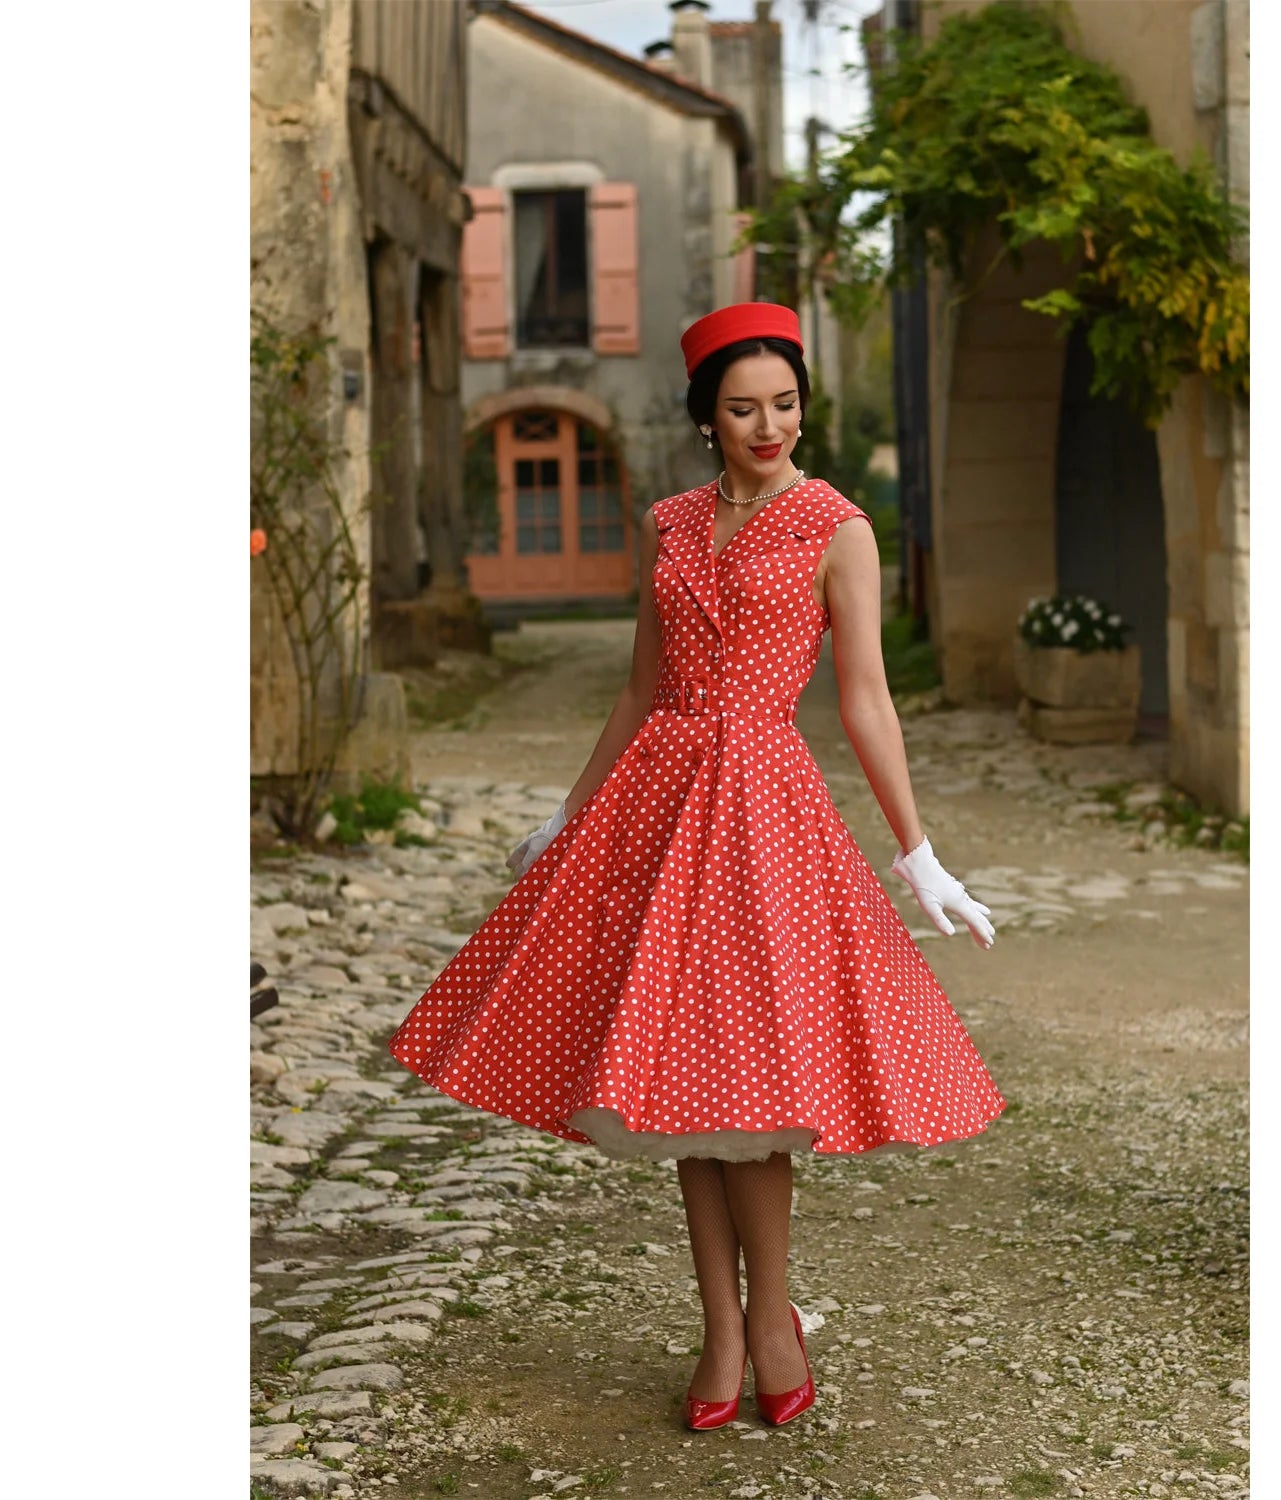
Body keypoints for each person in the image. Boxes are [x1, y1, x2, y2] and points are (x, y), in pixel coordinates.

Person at [387, 302, 1006, 1432]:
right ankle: (719, 1327)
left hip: (766, 811)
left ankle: (772, 1318)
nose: (769, 424)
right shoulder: (672, 523)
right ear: (705, 417)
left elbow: (864, 697)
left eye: (785, 403)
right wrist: (569, 818)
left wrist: (917, 856)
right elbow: (638, 685)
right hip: (657, 809)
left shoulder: (837, 526)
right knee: (680, 1084)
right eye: (743, 407)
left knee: (753, 1089)